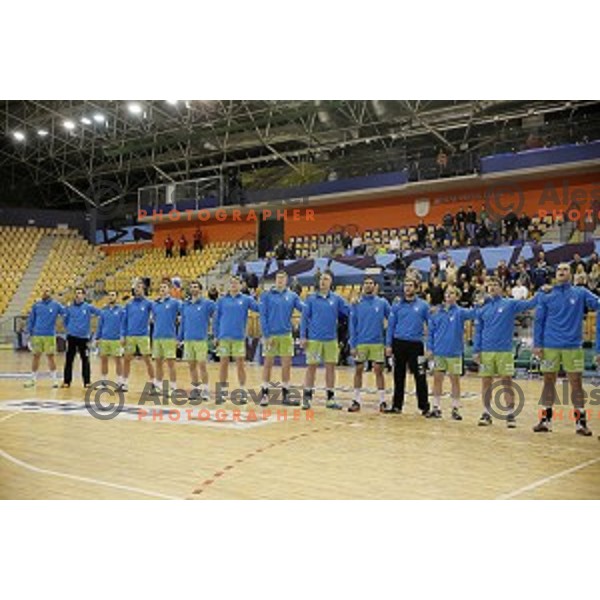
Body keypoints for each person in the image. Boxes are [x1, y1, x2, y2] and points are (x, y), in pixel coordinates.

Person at [533, 263, 599, 436]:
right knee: (548, 381)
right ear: (555, 274)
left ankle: (580, 423)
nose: (561, 272)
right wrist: (537, 344)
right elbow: (539, 321)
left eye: (565, 270)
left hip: (573, 345)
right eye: (559, 270)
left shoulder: (580, 292)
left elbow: (597, 304)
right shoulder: (546, 294)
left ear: (571, 274)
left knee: (576, 383)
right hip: (550, 345)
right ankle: (545, 420)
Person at [473, 276, 539, 428]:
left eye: (495, 285)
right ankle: (486, 413)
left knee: (507, 382)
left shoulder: (510, 304)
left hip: (504, 351)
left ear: (501, 288)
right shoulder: (482, 308)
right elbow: (478, 331)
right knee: (486, 383)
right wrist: (476, 350)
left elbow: (530, 303)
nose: (492, 287)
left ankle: (510, 413)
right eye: (490, 285)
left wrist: (541, 292)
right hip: (486, 351)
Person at [300, 271, 350, 410]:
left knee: (331, 369)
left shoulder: (337, 299)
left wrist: (357, 304)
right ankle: (307, 397)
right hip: (314, 340)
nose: (323, 281)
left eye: (326, 279)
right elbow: (304, 318)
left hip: (330, 339)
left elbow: (348, 311)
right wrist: (303, 336)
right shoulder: (310, 298)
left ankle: (330, 398)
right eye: (321, 279)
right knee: (311, 368)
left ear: (331, 282)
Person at [426, 286, 477, 420]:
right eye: (447, 293)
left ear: (457, 296)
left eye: (452, 293)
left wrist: (480, 302)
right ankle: (436, 407)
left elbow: (475, 313)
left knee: (455, 381)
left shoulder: (460, 312)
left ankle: (455, 409)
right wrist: (430, 348)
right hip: (439, 353)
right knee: (437, 380)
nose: (449, 295)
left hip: (454, 353)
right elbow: (430, 333)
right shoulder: (436, 313)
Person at [384, 278, 431, 415]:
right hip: (399, 344)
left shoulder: (423, 305)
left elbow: (431, 326)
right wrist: (388, 344)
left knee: (420, 376)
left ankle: (424, 407)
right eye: (406, 285)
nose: (408, 288)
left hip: (416, 345)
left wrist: (430, 346)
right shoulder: (397, 305)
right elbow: (391, 326)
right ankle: (397, 406)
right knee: (398, 376)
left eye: (411, 286)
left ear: (416, 288)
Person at [259, 270, 304, 407]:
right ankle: (264, 393)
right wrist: (266, 335)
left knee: (286, 365)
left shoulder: (292, 296)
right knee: (268, 364)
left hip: (286, 335)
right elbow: (263, 316)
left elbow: (304, 309)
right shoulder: (266, 296)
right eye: (278, 278)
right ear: (275, 280)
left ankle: (285, 395)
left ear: (286, 281)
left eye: (282, 278)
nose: (280, 280)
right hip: (271, 335)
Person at [213, 275, 259, 403]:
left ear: (240, 285)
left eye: (236, 283)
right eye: (231, 282)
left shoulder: (246, 299)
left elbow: (258, 308)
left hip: (239, 337)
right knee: (223, 364)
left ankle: (242, 391)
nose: (233, 285)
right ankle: (222, 392)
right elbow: (216, 319)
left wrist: (259, 298)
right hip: (224, 337)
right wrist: (216, 335)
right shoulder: (222, 300)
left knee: (240, 365)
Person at [348, 276, 391, 413]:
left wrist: (387, 342)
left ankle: (382, 401)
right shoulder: (356, 303)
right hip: (361, 343)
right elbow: (352, 325)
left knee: (379, 371)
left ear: (375, 286)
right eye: (366, 283)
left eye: (370, 283)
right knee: (358, 370)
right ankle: (356, 400)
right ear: (362, 286)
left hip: (377, 343)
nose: (368, 285)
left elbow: (392, 320)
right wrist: (353, 345)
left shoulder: (382, 303)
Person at [178, 280, 215, 402]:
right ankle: (195, 389)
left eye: (196, 287)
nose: (193, 289)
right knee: (191, 366)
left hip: (201, 340)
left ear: (200, 289)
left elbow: (217, 314)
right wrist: (180, 338)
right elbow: (182, 323)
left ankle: (205, 389)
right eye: (191, 287)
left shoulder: (207, 304)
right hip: (188, 340)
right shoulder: (185, 305)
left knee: (202, 365)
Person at [61, 287, 101, 389]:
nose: (78, 295)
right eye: (76, 293)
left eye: (80, 293)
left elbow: (100, 313)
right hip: (72, 337)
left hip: (84, 338)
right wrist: (70, 329)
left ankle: (87, 382)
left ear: (84, 295)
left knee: (85, 360)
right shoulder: (70, 307)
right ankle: (66, 381)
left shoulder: (88, 307)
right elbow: (65, 320)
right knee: (69, 360)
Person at [120, 279, 156, 393]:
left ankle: (153, 383)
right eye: (135, 288)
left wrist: (152, 318)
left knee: (147, 360)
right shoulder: (129, 304)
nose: (137, 290)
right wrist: (122, 335)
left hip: (143, 336)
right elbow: (124, 321)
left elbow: (157, 312)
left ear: (143, 289)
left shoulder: (148, 303)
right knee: (127, 359)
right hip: (130, 336)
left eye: (139, 288)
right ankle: (124, 383)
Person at [24, 287, 63, 388]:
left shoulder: (56, 305)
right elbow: (31, 319)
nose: (45, 293)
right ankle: (32, 379)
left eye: (48, 291)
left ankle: (55, 380)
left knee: (50, 357)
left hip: (49, 335)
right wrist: (29, 332)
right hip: (37, 334)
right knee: (36, 356)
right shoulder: (36, 305)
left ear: (52, 294)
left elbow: (66, 313)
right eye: (44, 291)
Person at [151, 279, 182, 394]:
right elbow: (153, 318)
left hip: (169, 336)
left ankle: (173, 386)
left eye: (164, 287)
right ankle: (158, 385)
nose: (162, 290)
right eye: (160, 288)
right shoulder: (155, 304)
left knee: (171, 363)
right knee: (158, 362)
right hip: (157, 336)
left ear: (169, 289)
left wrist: (180, 318)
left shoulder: (175, 302)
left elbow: (185, 310)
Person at [96, 291, 124, 388]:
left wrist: (122, 336)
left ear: (117, 297)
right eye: (109, 295)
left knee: (118, 360)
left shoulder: (121, 310)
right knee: (103, 360)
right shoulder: (103, 310)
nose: (110, 297)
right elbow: (100, 325)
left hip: (116, 339)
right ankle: (104, 381)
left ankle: (120, 382)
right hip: (104, 338)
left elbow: (123, 324)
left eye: (113, 295)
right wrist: (97, 337)